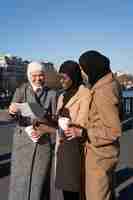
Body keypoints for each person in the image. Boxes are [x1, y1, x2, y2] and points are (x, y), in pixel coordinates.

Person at [66, 50, 122, 200]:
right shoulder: (107, 84)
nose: (83, 74)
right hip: (102, 154)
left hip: (100, 156)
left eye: (83, 69)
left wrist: (83, 133)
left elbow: (114, 130)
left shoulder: (104, 91)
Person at [34, 60, 90, 200]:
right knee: (66, 190)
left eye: (64, 77)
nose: (61, 80)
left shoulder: (85, 95)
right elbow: (58, 122)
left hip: (76, 150)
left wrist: (58, 124)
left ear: (74, 76)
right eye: (60, 77)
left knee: (76, 190)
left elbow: (82, 124)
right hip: (62, 149)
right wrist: (46, 118)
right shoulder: (62, 96)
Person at [8, 61, 57, 200]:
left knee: (39, 183)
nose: (38, 79)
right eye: (34, 75)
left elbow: (55, 123)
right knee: (19, 182)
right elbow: (12, 117)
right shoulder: (21, 90)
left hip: (42, 144)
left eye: (41, 75)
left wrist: (41, 116)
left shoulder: (52, 94)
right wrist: (11, 111)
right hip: (22, 142)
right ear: (29, 76)